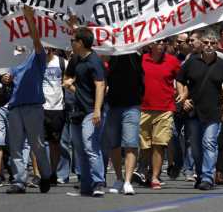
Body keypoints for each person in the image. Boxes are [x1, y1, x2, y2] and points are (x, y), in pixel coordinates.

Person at [177, 30, 223, 191]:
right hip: (193, 111)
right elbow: (180, 79)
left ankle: (208, 177)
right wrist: (183, 98)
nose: (209, 46)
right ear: (201, 44)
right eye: (206, 43)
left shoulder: (222, 64)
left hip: (213, 111)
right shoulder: (191, 61)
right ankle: (200, 174)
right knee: (195, 146)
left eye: (212, 43)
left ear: (216, 45)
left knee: (209, 143)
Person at [5, 6, 51, 194]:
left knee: (37, 145)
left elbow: (36, 40)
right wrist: (6, 78)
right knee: (15, 147)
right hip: (15, 107)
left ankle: (46, 175)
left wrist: (29, 19)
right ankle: (19, 181)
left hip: (33, 107)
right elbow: (10, 78)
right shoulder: (14, 61)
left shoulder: (38, 56)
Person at [64, 24, 107, 197]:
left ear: (81, 43)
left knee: (90, 146)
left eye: (73, 40)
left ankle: (98, 183)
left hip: (91, 110)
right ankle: (86, 186)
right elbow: (67, 78)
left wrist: (97, 110)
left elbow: (100, 84)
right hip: (77, 110)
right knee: (80, 149)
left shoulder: (94, 60)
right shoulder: (76, 59)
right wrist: (72, 87)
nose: (71, 43)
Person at [139, 39, 180, 190]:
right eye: (158, 42)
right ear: (150, 44)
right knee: (145, 146)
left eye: (164, 42)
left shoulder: (172, 61)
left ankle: (155, 176)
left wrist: (182, 92)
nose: (161, 44)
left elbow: (181, 79)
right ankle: (146, 171)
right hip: (143, 108)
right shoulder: (141, 59)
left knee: (159, 144)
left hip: (165, 109)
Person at [104, 52, 142, 195]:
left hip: (132, 105)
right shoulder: (111, 52)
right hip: (113, 105)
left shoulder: (136, 52)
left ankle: (127, 181)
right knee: (114, 144)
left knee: (131, 143)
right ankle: (119, 178)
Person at [42, 48, 67, 185]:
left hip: (57, 108)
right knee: (38, 142)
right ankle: (40, 173)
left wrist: (68, 83)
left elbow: (74, 76)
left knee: (54, 143)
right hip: (40, 107)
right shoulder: (36, 62)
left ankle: (53, 172)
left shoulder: (63, 63)